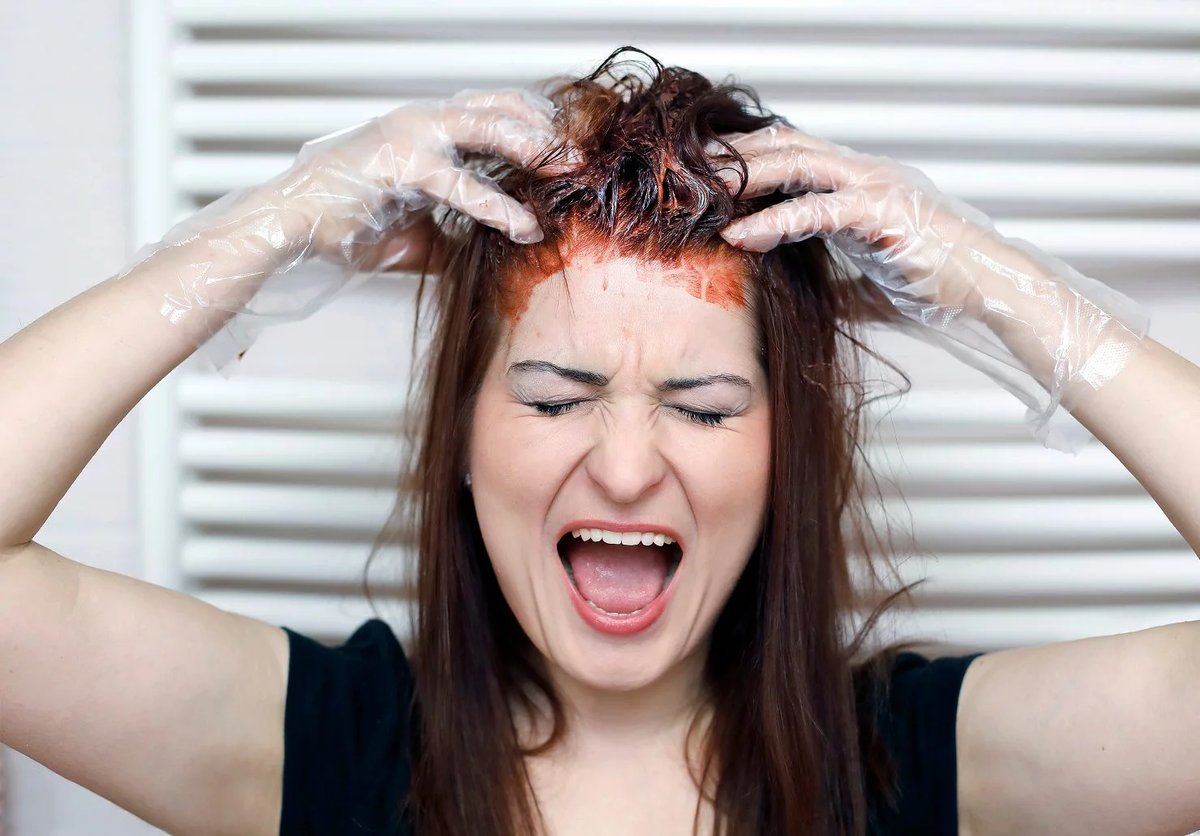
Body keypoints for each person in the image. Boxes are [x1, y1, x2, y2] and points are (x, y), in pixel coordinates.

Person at [1, 46, 1199, 836]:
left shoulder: (925, 767)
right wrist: (271, 227)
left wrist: (992, 283)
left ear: (784, 453)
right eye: (554, 397)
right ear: (462, 435)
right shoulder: (318, 750)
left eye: (705, 406)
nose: (626, 468)